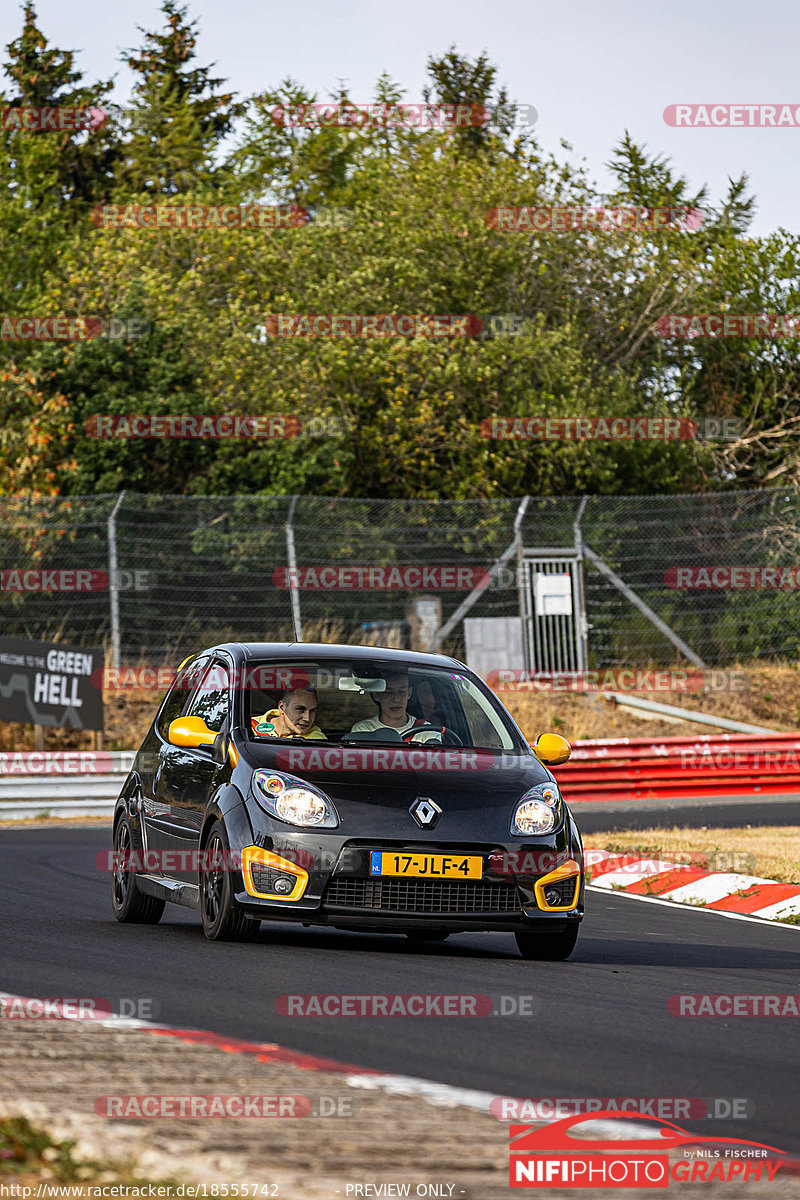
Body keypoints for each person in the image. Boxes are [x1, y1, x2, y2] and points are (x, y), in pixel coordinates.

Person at [349, 670, 443, 742]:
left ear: (409, 694)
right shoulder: (363, 730)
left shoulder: (427, 731)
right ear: (376, 695)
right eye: (389, 692)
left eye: (402, 692)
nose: (396, 699)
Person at [252, 686, 325, 739]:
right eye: (300, 709)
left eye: (312, 711)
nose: (307, 718)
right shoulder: (250, 725)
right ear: (282, 707)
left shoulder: (317, 740)